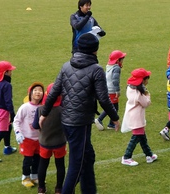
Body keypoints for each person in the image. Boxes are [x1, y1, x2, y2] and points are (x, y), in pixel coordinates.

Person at [39, 32, 120, 194]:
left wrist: (44, 113)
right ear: (95, 50)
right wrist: (115, 118)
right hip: (80, 124)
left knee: (87, 156)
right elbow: (103, 99)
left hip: (67, 121)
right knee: (77, 164)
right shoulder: (95, 70)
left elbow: (54, 91)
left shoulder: (66, 66)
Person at [32, 83, 66, 194]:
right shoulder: (62, 110)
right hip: (60, 143)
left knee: (43, 165)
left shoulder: (41, 109)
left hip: (45, 143)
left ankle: (41, 188)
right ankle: (59, 188)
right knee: (60, 165)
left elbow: (35, 126)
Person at [120, 68, 157, 166]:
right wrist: (148, 95)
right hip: (137, 117)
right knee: (136, 137)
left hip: (133, 115)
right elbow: (146, 103)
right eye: (146, 79)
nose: (147, 81)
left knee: (142, 137)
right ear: (143, 80)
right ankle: (127, 157)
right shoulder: (138, 93)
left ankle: (149, 155)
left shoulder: (130, 88)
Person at [13, 82, 44, 188]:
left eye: (40, 90)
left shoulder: (43, 107)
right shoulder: (25, 107)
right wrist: (18, 133)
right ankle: (25, 177)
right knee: (28, 160)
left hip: (39, 139)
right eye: (35, 90)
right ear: (30, 93)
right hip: (27, 139)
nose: (38, 92)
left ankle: (34, 176)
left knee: (37, 159)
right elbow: (16, 121)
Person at [95, 50, 126, 131]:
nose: (123, 60)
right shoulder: (116, 68)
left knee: (113, 107)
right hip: (112, 90)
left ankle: (111, 124)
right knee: (113, 107)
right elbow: (115, 80)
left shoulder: (109, 66)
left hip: (107, 88)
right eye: (122, 59)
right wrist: (117, 91)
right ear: (118, 60)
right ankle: (100, 119)